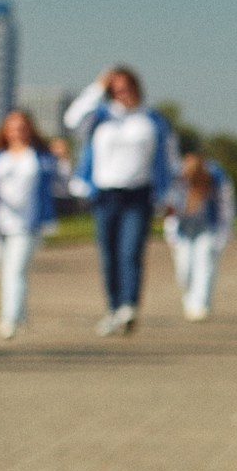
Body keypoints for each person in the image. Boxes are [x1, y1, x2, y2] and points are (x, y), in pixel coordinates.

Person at [65, 67, 178, 336]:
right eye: (114, 89)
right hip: (105, 194)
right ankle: (113, 308)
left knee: (130, 251)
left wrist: (171, 194)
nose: (121, 93)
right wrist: (97, 88)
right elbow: (71, 121)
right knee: (108, 254)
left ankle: (129, 306)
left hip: (139, 194)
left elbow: (170, 158)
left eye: (126, 87)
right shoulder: (100, 117)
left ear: (137, 88)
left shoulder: (152, 119)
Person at [0, 108, 64, 339]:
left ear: (29, 129)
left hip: (29, 224)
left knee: (14, 270)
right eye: (13, 127)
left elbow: (61, 182)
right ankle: (21, 314)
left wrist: (61, 158)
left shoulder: (40, 156)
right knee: (7, 271)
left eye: (22, 127)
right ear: (6, 130)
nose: (18, 131)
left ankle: (8, 320)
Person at [164, 148, 236, 322]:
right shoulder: (176, 178)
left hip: (208, 228)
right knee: (184, 269)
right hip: (184, 230)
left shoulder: (216, 177)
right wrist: (172, 236)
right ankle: (190, 300)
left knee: (204, 263)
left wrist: (223, 236)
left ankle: (200, 305)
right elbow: (169, 212)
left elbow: (226, 208)